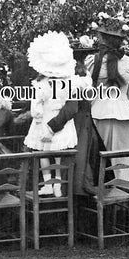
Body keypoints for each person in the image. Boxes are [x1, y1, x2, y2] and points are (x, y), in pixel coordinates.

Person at [23, 31, 92, 197]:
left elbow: (35, 107)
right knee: (58, 153)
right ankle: (58, 183)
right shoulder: (70, 82)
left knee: (42, 153)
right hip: (61, 122)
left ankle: (48, 183)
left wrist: (38, 117)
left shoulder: (40, 84)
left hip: (44, 120)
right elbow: (83, 88)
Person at [85, 13, 129, 181]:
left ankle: (104, 195)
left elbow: (88, 93)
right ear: (121, 40)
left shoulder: (92, 61)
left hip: (98, 114)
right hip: (123, 114)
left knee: (100, 160)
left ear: (101, 38)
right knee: (126, 161)